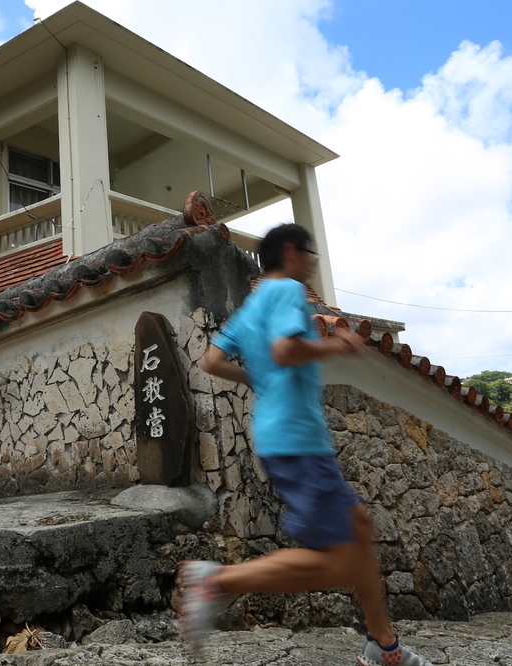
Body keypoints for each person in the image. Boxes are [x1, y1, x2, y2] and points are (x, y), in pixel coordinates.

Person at [177, 223, 432, 666]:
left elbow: (212, 361)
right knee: (339, 562)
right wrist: (338, 344)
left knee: (359, 529)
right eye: (310, 254)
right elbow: (285, 351)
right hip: (299, 438)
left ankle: (383, 645)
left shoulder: (251, 306)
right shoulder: (288, 291)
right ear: (292, 252)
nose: (313, 264)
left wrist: (253, 378)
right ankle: (217, 582)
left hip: (280, 437)